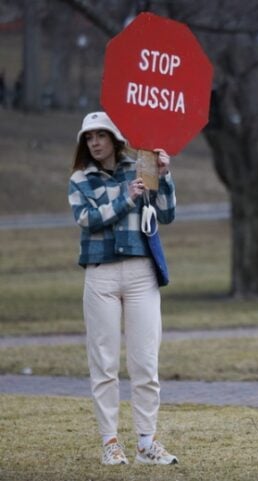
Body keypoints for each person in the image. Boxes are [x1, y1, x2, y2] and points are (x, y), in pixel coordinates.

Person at [67, 111, 178, 465]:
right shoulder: (80, 179)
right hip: (100, 275)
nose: (95, 142)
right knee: (104, 363)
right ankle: (110, 442)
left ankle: (147, 443)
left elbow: (167, 214)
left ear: (115, 137)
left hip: (141, 272)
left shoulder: (140, 164)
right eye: (89, 137)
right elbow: (87, 219)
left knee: (145, 362)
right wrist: (126, 199)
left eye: (101, 135)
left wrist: (165, 175)